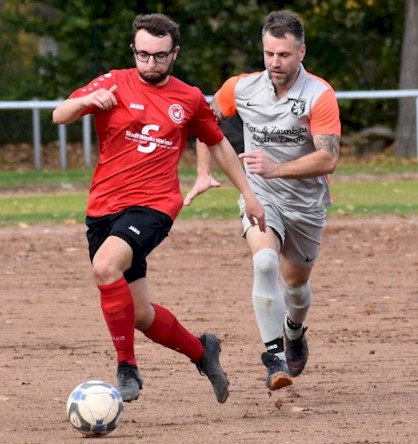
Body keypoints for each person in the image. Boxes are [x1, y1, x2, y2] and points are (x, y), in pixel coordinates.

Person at [52, 13, 265, 404]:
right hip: (103, 206)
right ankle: (203, 352)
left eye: (160, 56)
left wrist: (249, 195)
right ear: (134, 50)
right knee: (142, 315)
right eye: (144, 55)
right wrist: (86, 99)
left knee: (105, 266)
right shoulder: (113, 81)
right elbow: (59, 115)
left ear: (175, 54)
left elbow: (218, 144)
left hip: (154, 205)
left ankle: (126, 366)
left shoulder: (188, 97)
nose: (151, 64)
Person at [185, 9, 341, 391]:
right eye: (269, 53)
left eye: (284, 54)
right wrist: (204, 172)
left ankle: (294, 330)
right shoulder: (240, 87)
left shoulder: (319, 95)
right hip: (260, 194)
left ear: (301, 52)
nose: (275, 62)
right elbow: (206, 122)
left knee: (296, 287)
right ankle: (274, 357)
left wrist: (276, 168)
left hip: (306, 203)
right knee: (265, 259)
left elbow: (328, 158)